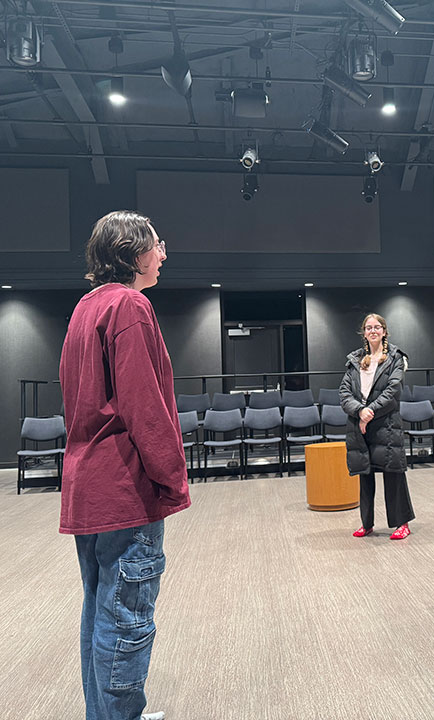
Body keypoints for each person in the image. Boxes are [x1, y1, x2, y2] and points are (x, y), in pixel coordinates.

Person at [59, 210, 191, 720]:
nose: (162, 253)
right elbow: (144, 406)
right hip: (125, 491)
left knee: (100, 611)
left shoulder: (84, 308)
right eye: (157, 244)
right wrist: (172, 477)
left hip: (88, 486)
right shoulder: (131, 306)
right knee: (127, 620)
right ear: (133, 251)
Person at [339, 313, 415, 539]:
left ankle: (402, 523)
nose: (373, 331)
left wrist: (368, 413)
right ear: (364, 333)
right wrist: (360, 412)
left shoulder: (395, 358)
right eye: (369, 327)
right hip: (360, 426)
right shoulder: (355, 360)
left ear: (384, 331)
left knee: (394, 473)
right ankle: (367, 523)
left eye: (377, 327)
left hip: (386, 423)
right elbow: (344, 393)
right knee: (365, 473)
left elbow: (393, 392)